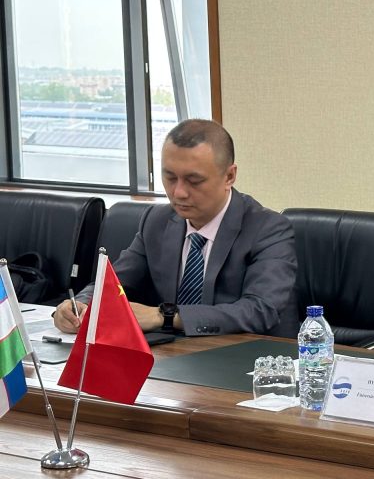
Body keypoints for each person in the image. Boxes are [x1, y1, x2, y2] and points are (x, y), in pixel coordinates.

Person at [54, 119, 297, 337]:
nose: (179, 192)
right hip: (174, 356)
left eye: (194, 181)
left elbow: (259, 310)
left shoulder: (268, 229)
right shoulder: (156, 221)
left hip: (248, 359)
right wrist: (81, 305)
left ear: (229, 176)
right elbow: (115, 283)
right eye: (170, 178)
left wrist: (165, 316)